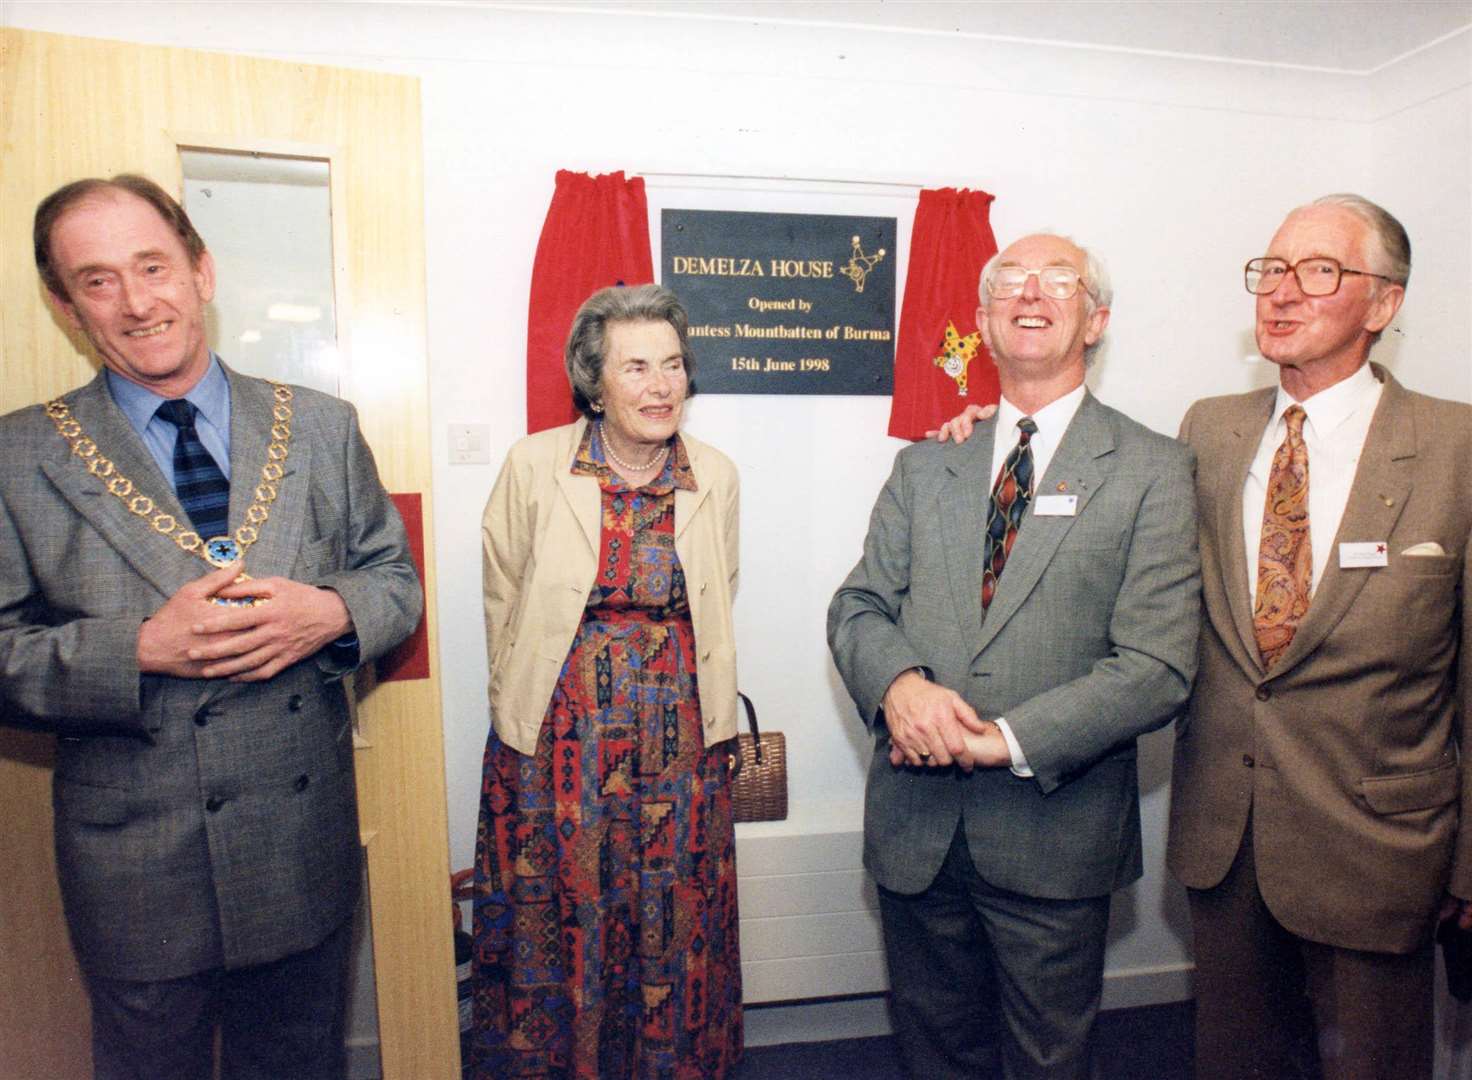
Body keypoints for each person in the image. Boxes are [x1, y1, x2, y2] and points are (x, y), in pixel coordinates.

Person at [0, 175, 422, 1079]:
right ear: (65, 304)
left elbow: (394, 580)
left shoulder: (320, 426)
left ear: (202, 270)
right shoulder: (18, 455)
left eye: (154, 266)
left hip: (298, 853)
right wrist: (137, 648)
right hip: (136, 874)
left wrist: (334, 612)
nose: (138, 300)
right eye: (99, 279)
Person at [829, 233, 1201, 1079]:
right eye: (1009, 280)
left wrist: (1004, 740)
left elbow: (1158, 663)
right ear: (985, 325)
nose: (1030, 292)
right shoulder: (928, 464)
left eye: (1058, 280)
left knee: (1048, 1061)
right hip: (917, 828)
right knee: (935, 1054)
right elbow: (859, 605)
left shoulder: (1152, 469)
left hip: (1053, 830)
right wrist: (899, 686)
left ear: (1096, 320)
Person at [1164, 195, 1472, 1080]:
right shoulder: (1209, 430)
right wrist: (984, 434)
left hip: (1378, 849)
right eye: (1270, 271)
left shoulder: (1454, 446)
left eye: (1318, 272)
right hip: (1226, 840)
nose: (1281, 294)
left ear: (1383, 304)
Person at [472, 283, 743, 1078]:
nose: (660, 386)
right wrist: (515, 716)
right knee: (562, 922)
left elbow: (716, 594)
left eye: (673, 366)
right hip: (561, 745)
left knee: (673, 926)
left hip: (682, 751)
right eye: (635, 368)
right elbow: (502, 597)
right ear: (595, 383)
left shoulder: (715, 476)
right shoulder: (535, 466)